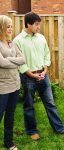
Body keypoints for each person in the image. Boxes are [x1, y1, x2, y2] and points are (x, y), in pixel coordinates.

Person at [13, 12, 64, 140]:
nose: (38, 27)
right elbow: (18, 61)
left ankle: (60, 129)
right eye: (36, 24)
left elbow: (47, 54)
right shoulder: (18, 41)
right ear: (28, 24)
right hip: (28, 77)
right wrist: (30, 74)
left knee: (50, 103)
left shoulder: (41, 38)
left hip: (43, 75)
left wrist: (45, 69)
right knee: (29, 105)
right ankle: (32, 131)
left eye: (39, 24)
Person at [0, 15, 25, 150]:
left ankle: (8, 142)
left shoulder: (12, 43)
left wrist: (8, 59)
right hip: (2, 87)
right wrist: (13, 60)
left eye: (11, 26)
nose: (10, 29)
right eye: (8, 26)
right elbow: (1, 63)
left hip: (15, 85)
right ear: (1, 27)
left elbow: (23, 59)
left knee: (10, 116)